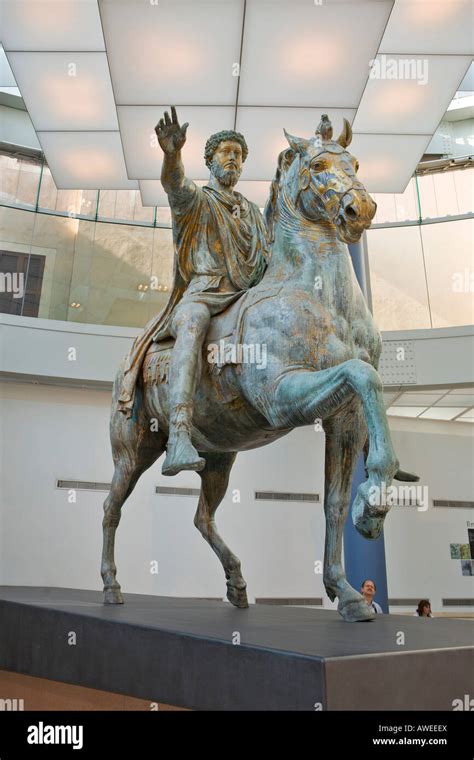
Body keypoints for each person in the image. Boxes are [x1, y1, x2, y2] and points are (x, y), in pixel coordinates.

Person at [118, 107, 268, 475]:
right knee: (192, 322)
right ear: (210, 160)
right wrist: (172, 154)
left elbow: (269, 258)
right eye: (226, 153)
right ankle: (179, 435)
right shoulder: (197, 200)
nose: (233, 159)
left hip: (245, 297)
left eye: (239, 155)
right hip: (204, 294)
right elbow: (174, 184)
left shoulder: (252, 212)